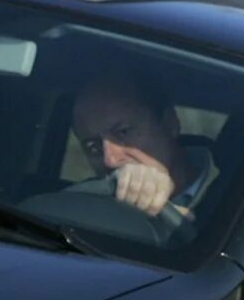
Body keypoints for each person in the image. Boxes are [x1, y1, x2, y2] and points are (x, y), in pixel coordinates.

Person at [68, 66, 219, 228]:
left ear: (169, 124)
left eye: (123, 132)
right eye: (93, 146)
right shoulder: (84, 201)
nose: (110, 160)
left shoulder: (235, 200)